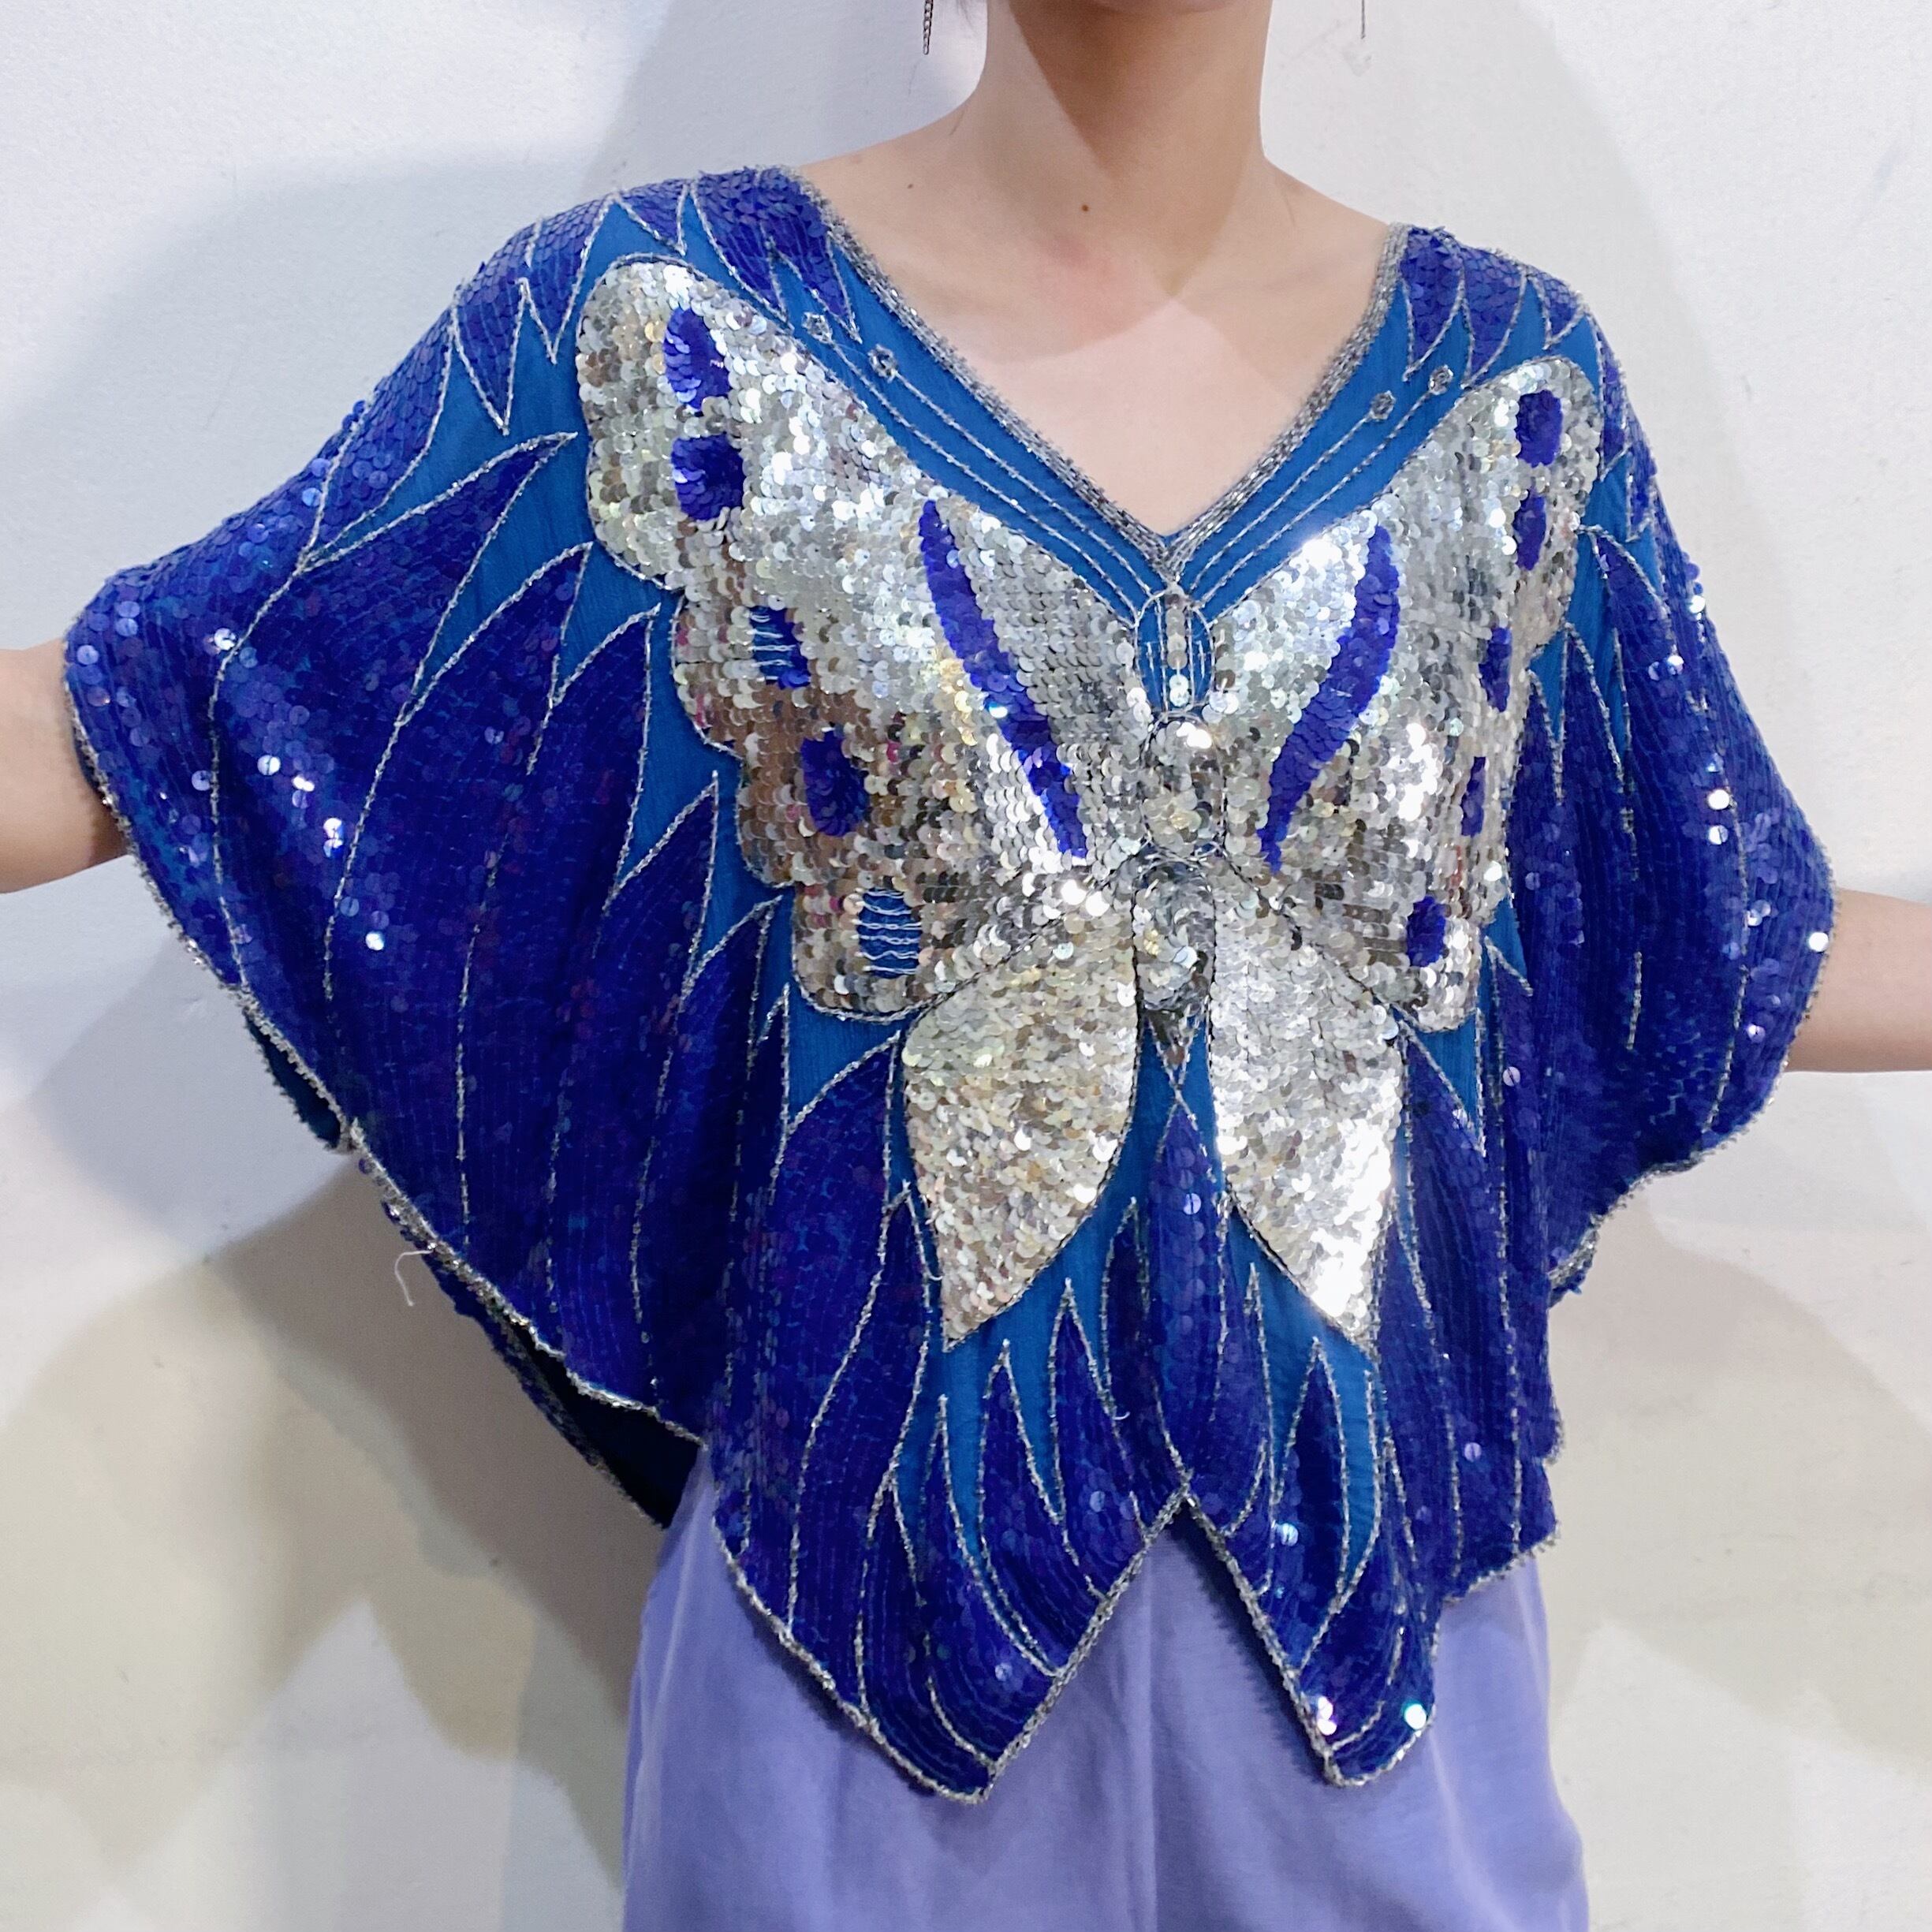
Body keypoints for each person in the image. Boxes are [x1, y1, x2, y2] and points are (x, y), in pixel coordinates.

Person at [2, 2, 1926, 1927]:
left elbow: (1708, 920)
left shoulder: (1518, 401)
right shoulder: (655, 333)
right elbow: (179, 710)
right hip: (851, 1728)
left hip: (1384, 1717)